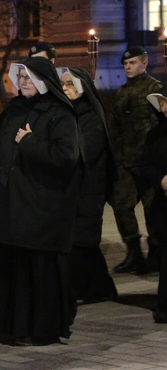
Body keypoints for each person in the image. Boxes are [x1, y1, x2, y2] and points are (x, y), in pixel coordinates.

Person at [0, 57, 83, 346]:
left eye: (28, 78)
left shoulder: (60, 113)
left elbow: (67, 158)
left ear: (42, 81)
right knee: (14, 269)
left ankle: (43, 329)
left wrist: (30, 142)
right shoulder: (14, 110)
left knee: (39, 271)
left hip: (42, 208)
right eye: (21, 78)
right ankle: (14, 326)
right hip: (11, 204)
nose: (23, 83)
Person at [59, 68, 118, 303]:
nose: (65, 88)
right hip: (75, 190)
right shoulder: (69, 114)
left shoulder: (92, 118)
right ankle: (96, 288)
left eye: (69, 84)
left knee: (83, 243)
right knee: (81, 243)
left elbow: (84, 153)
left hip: (89, 190)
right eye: (62, 84)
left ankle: (96, 288)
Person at [109, 46, 163, 274]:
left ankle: (156, 255)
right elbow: (115, 126)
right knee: (121, 206)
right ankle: (134, 253)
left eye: (132, 63)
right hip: (126, 161)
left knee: (153, 211)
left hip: (148, 163)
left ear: (144, 63)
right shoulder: (122, 92)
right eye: (125, 64)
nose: (127, 67)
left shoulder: (155, 89)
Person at [140, 87, 167, 323]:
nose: (162, 107)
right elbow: (145, 165)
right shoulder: (155, 134)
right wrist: (161, 180)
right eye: (160, 103)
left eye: (164, 102)